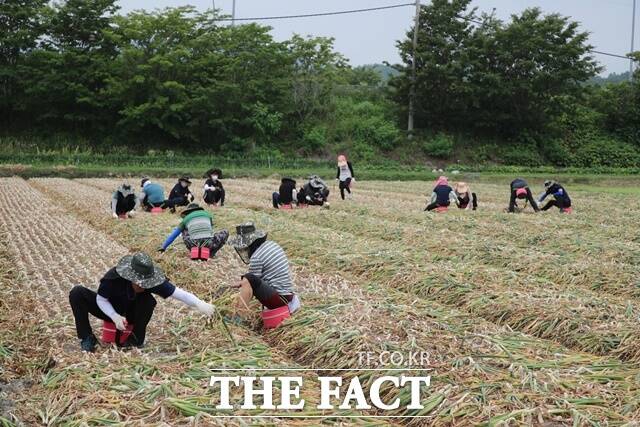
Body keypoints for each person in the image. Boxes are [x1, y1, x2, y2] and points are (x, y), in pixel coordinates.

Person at [68, 252, 215, 352]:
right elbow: (101, 299)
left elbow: (179, 293)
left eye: (146, 284)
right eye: (139, 283)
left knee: (149, 301)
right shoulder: (113, 278)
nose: (143, 286)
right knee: (77, 293)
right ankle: (87, 338)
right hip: (110, 309)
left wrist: (200, 304)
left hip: (132, 312)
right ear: (129, 277)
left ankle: (135, 340)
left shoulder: (153, 281)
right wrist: (114, 316)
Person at [227, 223, 299, 323]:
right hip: (288, 295)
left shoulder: (256, 257)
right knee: (249, 279)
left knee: (249, 278)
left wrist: (239, 289)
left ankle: (238, 317)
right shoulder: (271, 245)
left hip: (279, 299)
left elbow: (251, 282)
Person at [158, 203, 229, 255]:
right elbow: (210, 230)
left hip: (193, 244)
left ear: (188, 212)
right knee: (225, 232)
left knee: (184, 229)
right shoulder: (207, 215)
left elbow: (174, 235)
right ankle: (210, 253)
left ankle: (195, 251)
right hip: (209, 244)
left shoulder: (186, 218)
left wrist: (163, 247)